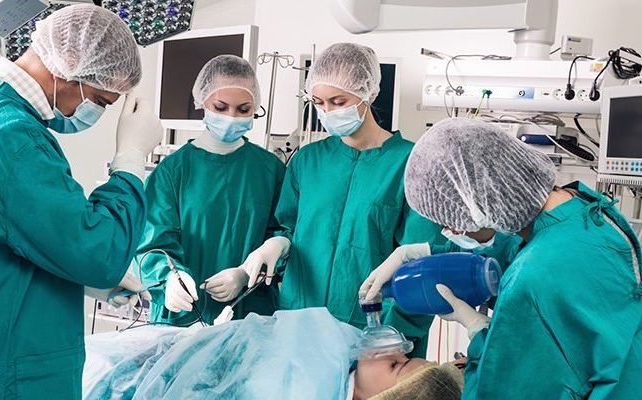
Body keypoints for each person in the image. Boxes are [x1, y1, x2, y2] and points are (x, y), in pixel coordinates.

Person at [0, 5, 163, 399]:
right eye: (100, 100)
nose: (94, 112)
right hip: (5, 369)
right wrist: (130, 160)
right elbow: (99, 252)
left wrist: (81, 278)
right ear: (68, 67)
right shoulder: (13, 137)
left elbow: (4, 234)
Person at [363, 117, 642, 399]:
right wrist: (427, 253)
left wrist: (481, 337)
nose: (452, 231)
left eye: (449, 219)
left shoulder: (530, 280)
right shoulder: (582, 209)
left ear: (476, 199)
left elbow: (500, 390)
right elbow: (516, 250)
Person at [238, 42, 443, 356]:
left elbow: (420, 264)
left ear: (368, 93)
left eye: (338, 101)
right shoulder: (307, 161)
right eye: (319, 102)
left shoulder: (412, 164)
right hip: (299, 325)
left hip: (374, 333)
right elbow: (289, 229)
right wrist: (276, 244)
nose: (328, 112)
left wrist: (393, 338)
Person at [137, 55, 285, 326]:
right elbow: (151, 242)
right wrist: (169, 279)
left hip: (251, 315)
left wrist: (245, 274)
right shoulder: (172, 171)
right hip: (183, 317)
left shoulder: (270, 170)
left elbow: (283, 237)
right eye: (221, 107)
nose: (231, 117)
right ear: (203, 102)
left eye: (243, 109)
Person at [82, 308, 463, 399]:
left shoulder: (305, 387)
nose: (389, 350)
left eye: (395, 364)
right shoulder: (339, 351)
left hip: (121, 378)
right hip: (153, 353)